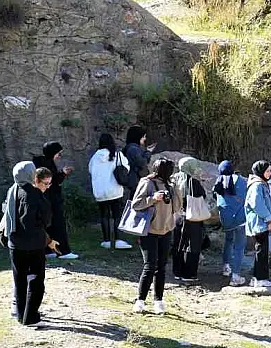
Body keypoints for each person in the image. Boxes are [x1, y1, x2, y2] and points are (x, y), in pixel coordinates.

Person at [7, 166, 59, 326]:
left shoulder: (13, 190)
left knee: (20, 280)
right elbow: (44, 219)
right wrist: (48, 240)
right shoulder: (34, 194)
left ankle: (21, 314)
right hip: (33, 244)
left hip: (15, 243)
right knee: (36, 281)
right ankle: (30, 318)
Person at [131, 158, 183, 314]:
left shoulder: (171, 185)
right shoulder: (147, 183)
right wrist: (153, 199)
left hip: (166, 230)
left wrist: (176, 191)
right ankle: (140, 301)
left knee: (161, 267)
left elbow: (177, 208)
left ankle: (158, 301)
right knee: (150, 266)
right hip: (149, 231)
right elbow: (136, 204)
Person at [32, 141, 78, 260]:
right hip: (51, 200)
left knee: (47, 226)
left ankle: (48, 250)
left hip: (44, 200)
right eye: (58, 153)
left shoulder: (41, 163)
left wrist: (62, 174)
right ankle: (63, 251)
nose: (59, 156)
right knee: (58, 225)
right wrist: (62, 173)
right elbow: (53, 182)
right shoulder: (46, 165)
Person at [89, 133, 132, 250]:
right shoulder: (117, 155)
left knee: (104, 215)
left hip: (100, 192)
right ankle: (118, 240)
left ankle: (106, 241)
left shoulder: (94, 157)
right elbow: (126, 168)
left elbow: (91, 171)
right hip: (115, 190)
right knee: (117, 215)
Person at [171, 157, 207, 283]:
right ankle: (189, 273)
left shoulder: (173, 178)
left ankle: (177, 271)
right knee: (193, 245)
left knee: (178, 244)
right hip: (192, 217)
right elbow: (202, 196)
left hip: (177, 217)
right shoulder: (193, 181)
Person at [214, 160, 250, 287]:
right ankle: (235, 276)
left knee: (228, 241)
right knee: (239, 246)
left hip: (225, 219)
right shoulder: (240, 181)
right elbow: (246, 198)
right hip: (239, 219)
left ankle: (225, 267)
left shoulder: (218, 181)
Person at [245, 160, 271, 288]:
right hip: (260, 222)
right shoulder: (257, 185)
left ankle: (256, 278)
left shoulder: (260, 184)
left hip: (260, 222)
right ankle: (261, 278)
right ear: (260, 171)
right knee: (261, 251)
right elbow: (257, 204)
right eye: (267, 171)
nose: (269, 173)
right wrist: (268, 218)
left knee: (261, 250)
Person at [123, 126, 156, 196]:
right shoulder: (133, 149)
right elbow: (142, 163)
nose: (145, 139)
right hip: (135, 181)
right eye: (143, 136)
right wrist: (148, 152)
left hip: (133, 180)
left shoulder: (131, 147)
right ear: (137, 136)